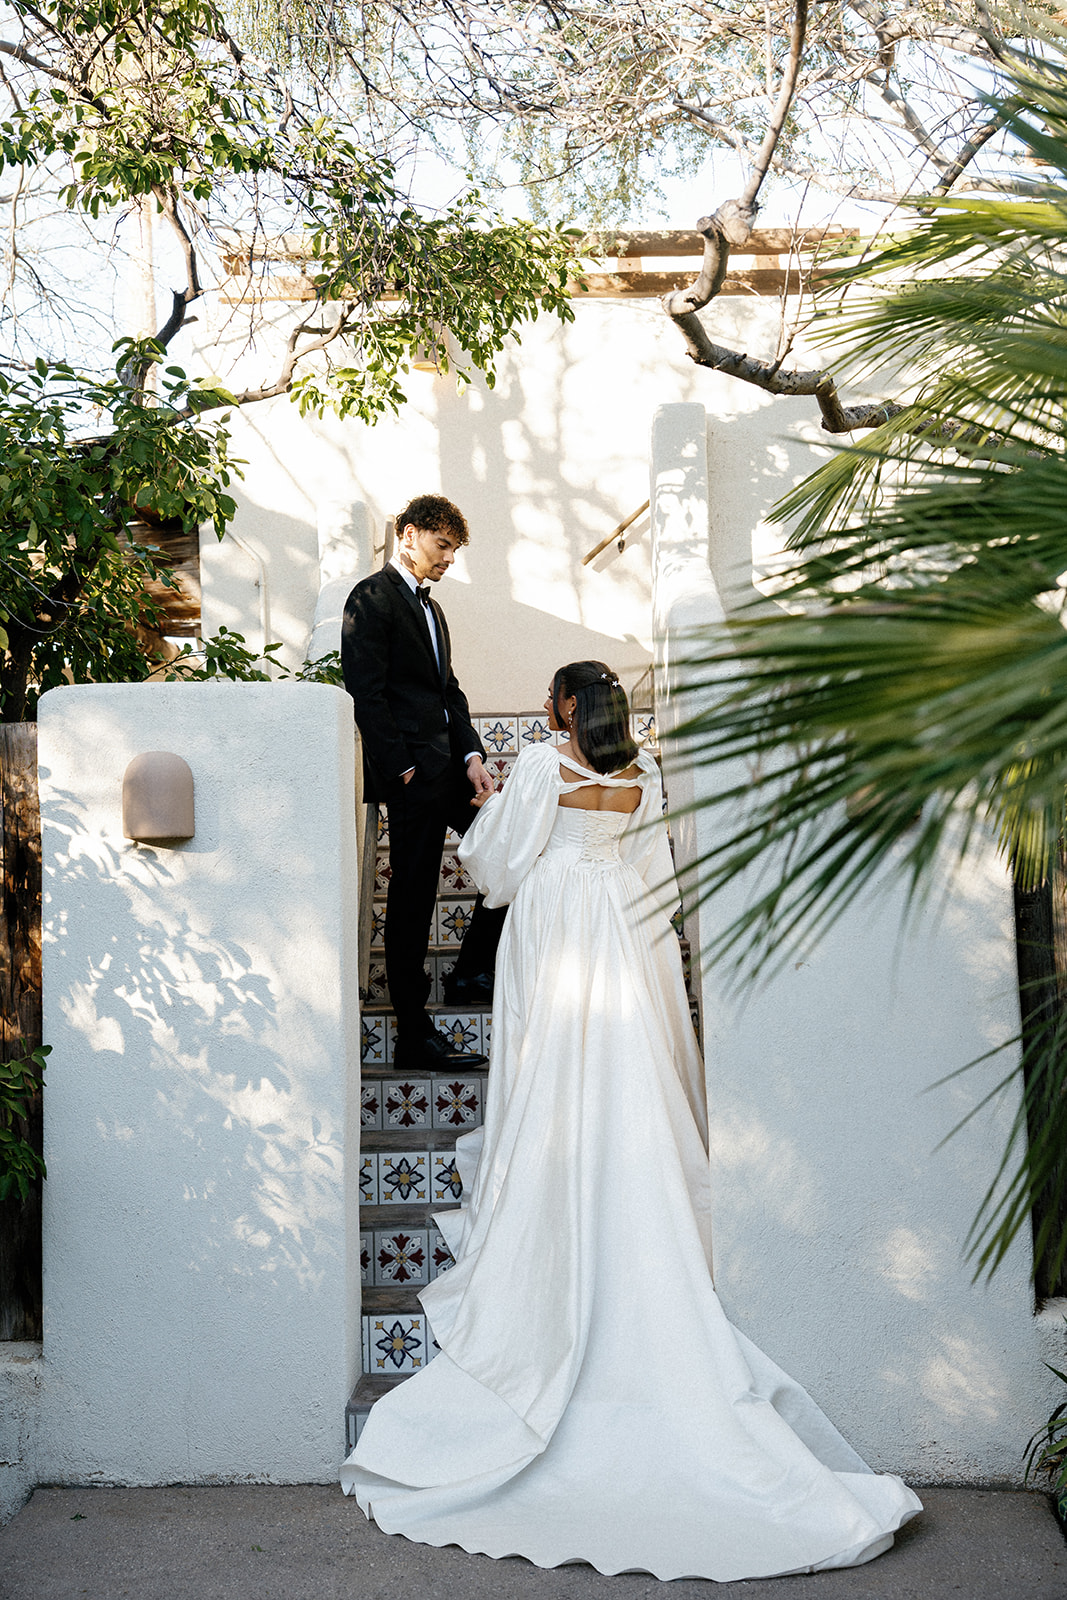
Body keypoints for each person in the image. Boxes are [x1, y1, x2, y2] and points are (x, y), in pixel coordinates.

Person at [341, 660, 922, 1581]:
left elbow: (496, 867)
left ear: (567, 706)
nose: (545, 711)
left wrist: (487, 805)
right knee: (630, 1054)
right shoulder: (642, 772)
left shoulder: (544, 764)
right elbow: (660, 878)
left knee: (555, 1051)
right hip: (624, 919)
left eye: (550, 700)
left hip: (558, 920)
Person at [341, 493, 505, 1071]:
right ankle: (413, 1034)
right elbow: (366, 692)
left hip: (451, 772)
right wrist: (402, 769)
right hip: (411, 778)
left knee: (512, 845)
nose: (449, 559)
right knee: (412, 904)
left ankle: (470, 972)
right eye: (443, 545)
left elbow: (447, 691)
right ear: (408, 535)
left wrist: (472, 755)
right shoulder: (370, 597)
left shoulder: (433, 611)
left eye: (454, 550)